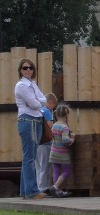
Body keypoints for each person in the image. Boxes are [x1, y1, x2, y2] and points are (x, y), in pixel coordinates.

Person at [15, 58, 48, 199]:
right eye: (25, 68)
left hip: (35, 121)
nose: (28, 70)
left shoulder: (32, 84)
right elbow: (35, 104)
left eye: (30, 68)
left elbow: (43, 100)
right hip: (28, 121)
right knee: (29, 158)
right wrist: (36, 101)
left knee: (29, 157)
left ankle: (25, 191)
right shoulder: (21, 85)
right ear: (20, 70)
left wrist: (36, 100)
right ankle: (32, 191)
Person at [46, 103, 74, 198]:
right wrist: (72, 139)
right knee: (67, 171)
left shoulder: (54, 126)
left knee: (56, 171)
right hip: (62, 154)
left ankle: (57, 191)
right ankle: (55, 187)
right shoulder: (64, 127)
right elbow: (65, 141)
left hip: (53, 152)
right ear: (66, 115)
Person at [37, 93, 58, 192]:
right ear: (51, 102)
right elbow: (50, 126)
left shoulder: (38, 110)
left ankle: (38, 187)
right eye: (54, 106)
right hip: (45, 143)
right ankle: (44, 188)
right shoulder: (46, 111)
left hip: (37, 142)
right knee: (45, 166)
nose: (53, 108)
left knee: (38, 166)